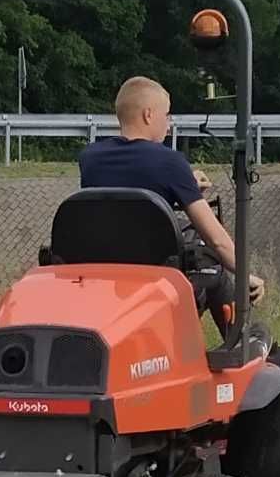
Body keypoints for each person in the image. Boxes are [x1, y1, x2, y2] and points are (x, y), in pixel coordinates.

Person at [78, 76, 265, 327]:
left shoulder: (90, 159)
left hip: (107, 280)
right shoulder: (170, 162)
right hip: (156, 285)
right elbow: (216, 240)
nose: (169, 122)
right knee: (216, 270)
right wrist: (246, 276)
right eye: (167, 115)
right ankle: (243, 348)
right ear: (148, 115)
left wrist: (184, 183)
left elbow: (128, 196)